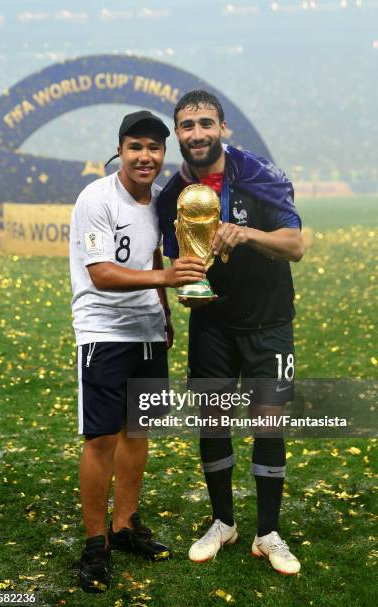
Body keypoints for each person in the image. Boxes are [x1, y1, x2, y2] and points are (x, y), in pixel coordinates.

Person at [157, 91, 304, 575]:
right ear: (178, 134)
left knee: (268, 423)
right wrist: (183, 285)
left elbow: (294, 245)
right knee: (213, 422)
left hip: (269, 323)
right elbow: (174, 257)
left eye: (205, 123)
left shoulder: (260, 176)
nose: (196, 133)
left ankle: (267, 532)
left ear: (223, 127)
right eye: (186, 126)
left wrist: (248, 235)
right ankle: (223, 523)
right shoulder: (171, 196)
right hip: (212, 325)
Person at [69, 110, 206, 592]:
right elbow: (101, 273)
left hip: (148, 332)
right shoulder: (96, 198)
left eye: (154, 148)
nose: (145, 157)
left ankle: (125, 527)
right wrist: (168, 276)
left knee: (137, 430)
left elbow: (149, 256)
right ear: (120, 150)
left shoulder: (159, 202)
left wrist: (164, 314)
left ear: (162, 154)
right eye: (136, 147)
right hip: (103, 333)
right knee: (101, 438)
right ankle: (93, 545)